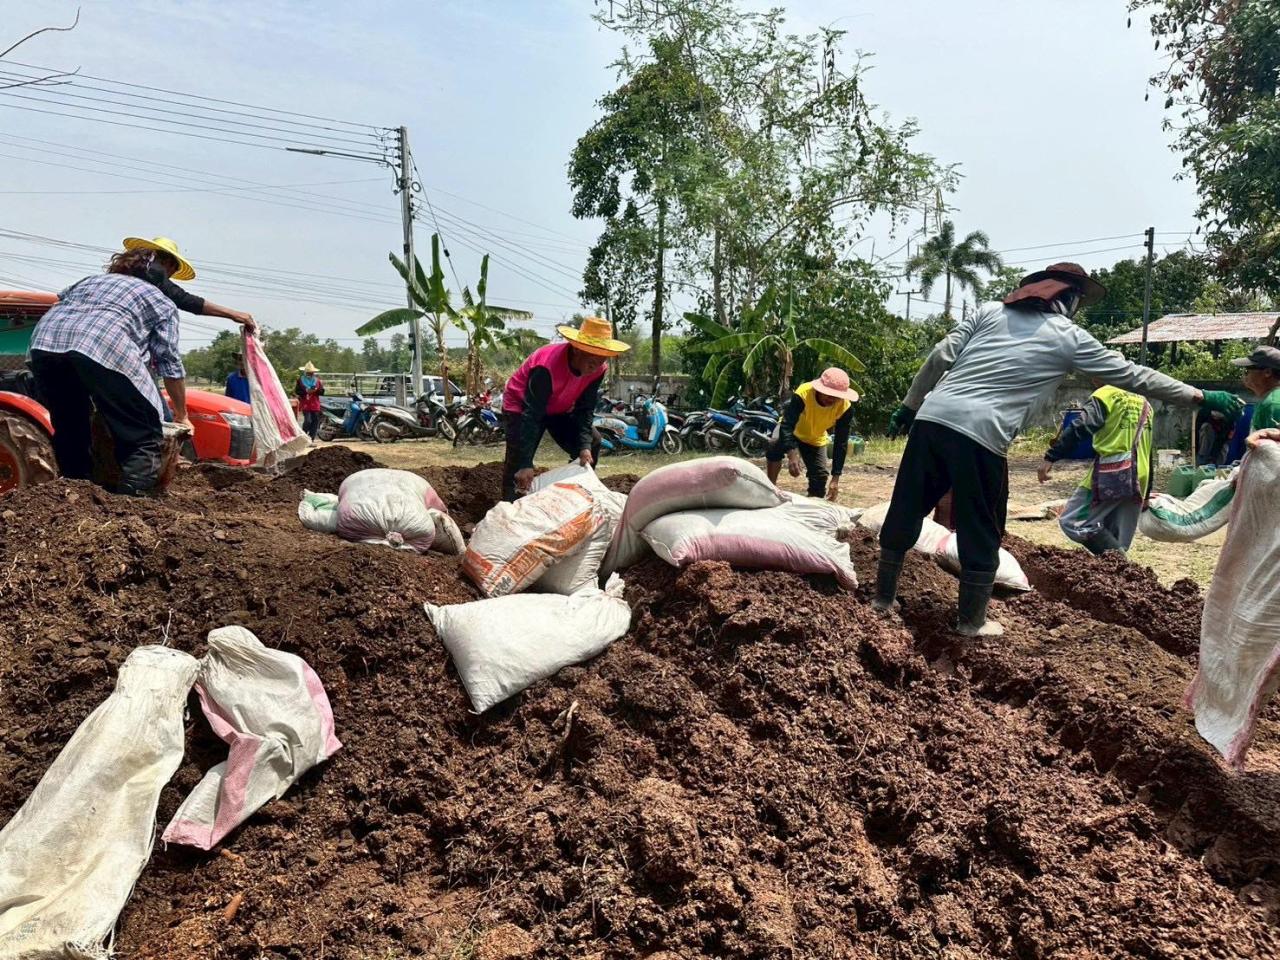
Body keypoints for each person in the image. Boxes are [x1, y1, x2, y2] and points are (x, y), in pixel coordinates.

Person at [876, 262, 1244, 637]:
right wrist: (1199, 396)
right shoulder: (1068, 337)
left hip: (932, 419)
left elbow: (941, 355)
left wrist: (909, 406)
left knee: (907, 507)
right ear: (1068, 300)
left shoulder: (988, 311)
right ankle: (971, 622)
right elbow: (1134, 375)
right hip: (982, 434)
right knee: (981, 526)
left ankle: (883, 601)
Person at [28, 250, 189, 495]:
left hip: (45, 343)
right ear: (162, 274)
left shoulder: (89, 281)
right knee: (144, 437)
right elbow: (168, 360)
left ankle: (75, 492)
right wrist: (182, 414)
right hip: (103, 345)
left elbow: (58, 302)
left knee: (71, 426)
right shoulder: (161, 301)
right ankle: (130, 503)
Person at [501, 316, 627, 501]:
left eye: (602, 360)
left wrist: (583, 447)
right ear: (577, 349)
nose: (595, 367)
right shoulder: (546, 365)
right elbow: (532, 413)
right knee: (518, 465)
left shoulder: (599, 369)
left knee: (592, 442)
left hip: (558, 407)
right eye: (592, 361)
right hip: (521, 407)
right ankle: (509, 506)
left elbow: (585, 409)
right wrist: (526, 462)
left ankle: (575, 495)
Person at [1039, 375, 1152, 555]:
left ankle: (1121, 562)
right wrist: (1147, 492)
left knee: (1073, 522)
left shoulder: (1106, 395)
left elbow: (1081, 426)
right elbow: (1149, 448)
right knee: (1117, 537)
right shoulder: (1144, 402)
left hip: (1112, 474)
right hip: (1140, 475)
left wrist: (1051, 456)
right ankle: (1119, 568)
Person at [119, 236, 257, 333]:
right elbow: (184, 299)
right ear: (167, 263)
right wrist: (233, 314)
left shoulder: (120, 274)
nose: (169, 277)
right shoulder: (154, 272)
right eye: (174, 270)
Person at [765, 367, 859, 501]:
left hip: (815, 438)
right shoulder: (804, 393)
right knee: (774, 444)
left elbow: (841, 442)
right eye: (828, 394)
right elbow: (787, 424)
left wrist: (835, 478)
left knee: (820, 476)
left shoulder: (845, 408)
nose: (832, 399)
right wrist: (792, 454)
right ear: (819, 389)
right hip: (792, 431)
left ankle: (812, 504)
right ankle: (770, 489)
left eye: (836, 396)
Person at [1232, 345, 1280, 432]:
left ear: (1267, 372)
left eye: (1248, 369)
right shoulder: (1269, 400)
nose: (1245, 374)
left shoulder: (1272, 405)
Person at [295, 362, 325, 440]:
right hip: (305, 403)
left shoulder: (317, 381)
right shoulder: (300, 380)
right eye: (308, 372)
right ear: (305, 372)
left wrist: (316, 390)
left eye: (311, 372)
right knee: (308, 420)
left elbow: (322, 392)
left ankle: (311, 438)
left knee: (315, 420)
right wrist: (306, 391)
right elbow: (297, 391)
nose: (310, 374)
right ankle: (304, 436)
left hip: (315, 403)